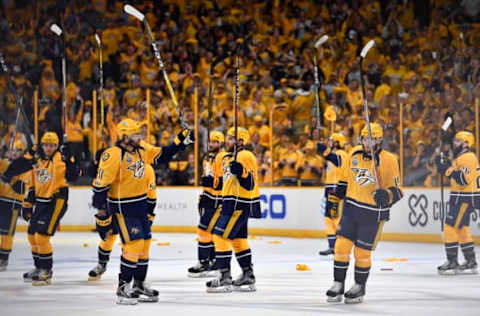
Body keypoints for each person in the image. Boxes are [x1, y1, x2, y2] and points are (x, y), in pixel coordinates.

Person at [91, 119, 193, 304]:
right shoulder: (113, 154)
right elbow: (100, 187)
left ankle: (138, 284)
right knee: (133, 245)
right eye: (136, 134)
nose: (140, 137)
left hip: (140, 206)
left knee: (144, 245)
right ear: (124, 136)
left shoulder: (141, 149)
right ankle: (123, 288)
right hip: (123, 208)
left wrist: (181, 141)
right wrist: (102, 215)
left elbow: (162, 155)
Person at [326, 123, 403, 304]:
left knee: (361, 253)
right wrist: (335, 200)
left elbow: (398, 191)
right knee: (341, 247)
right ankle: (338, 283)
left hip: (372, 214)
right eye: (366, 138)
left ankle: (359, 286)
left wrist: (387, 194)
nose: (368, 143)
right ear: (361, 139)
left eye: (373, 139)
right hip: (351, 210)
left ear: (380, 140)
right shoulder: (353, 154)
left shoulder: (389, 160)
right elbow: (344, 181)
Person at [206, 127, 261, 293]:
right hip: (231, 201)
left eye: (231, 138)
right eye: (228, 138)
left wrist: (242, 172)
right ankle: (248, 274)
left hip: (239, 203)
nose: (227, 141)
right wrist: (212, 183)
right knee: (238, 239)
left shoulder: (245, 155)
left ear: (240, 141)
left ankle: (224, 277)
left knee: (219, 235)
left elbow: (250, 182)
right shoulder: (228, 157)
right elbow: (227, 183)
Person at [21, 132, 80, 285]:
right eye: (46, 145)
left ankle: (46, 271)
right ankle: (38, 267)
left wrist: (71, 159)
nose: (49, 148)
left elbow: (74, 176)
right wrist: (28, 205)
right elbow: (32, 184)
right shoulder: (37, 161)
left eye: (52, 145)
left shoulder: (61, 158)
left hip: (56, 199)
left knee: (41, 236)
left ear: (56, 146)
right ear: (42, 145)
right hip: (41, 201)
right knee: (31, 235)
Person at [436, 131, 478, 274]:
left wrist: (446, 169)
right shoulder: (461, 157)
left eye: (458, 141)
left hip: (465, 197)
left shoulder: (468, 157)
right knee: (461, 228)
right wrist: (446, 164)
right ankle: (471, 260)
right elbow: (455, 173)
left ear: (467, 144)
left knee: (449, 226)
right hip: (461, 197)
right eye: (455, 140)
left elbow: (462, 179)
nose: (455, 143)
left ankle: (452, 261)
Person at [188, 131, 226, 277]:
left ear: (221, 143)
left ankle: (206, 262)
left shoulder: (222, 157)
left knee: (205, 230)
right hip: (208, 197)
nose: (212, 144)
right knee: (208, 231)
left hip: (217, 200)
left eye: (215, 142)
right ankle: (211, 261)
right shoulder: (208, 158)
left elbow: (224, 180)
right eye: (211, 141)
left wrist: (214, 183)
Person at [0, 140, 32, 271]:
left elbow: (21, 187)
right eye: (12, 150)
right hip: (1, 199)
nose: (14, 153)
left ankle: (3, 258)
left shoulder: (26, 168)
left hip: (13, 202)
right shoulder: (3, 163)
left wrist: (10, 178)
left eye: (18, 150)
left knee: (7, 232)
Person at [316, 133, 348, 256]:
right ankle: (332, 246)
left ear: (337, 142)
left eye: (331, 140)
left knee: (336, 219)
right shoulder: (331, 155)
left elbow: (336, 160)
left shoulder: (342, 154)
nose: (329, 142)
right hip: (330, 189)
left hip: (336, 189)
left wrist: (325, 151)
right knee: (328, 219)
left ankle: (340, 246)